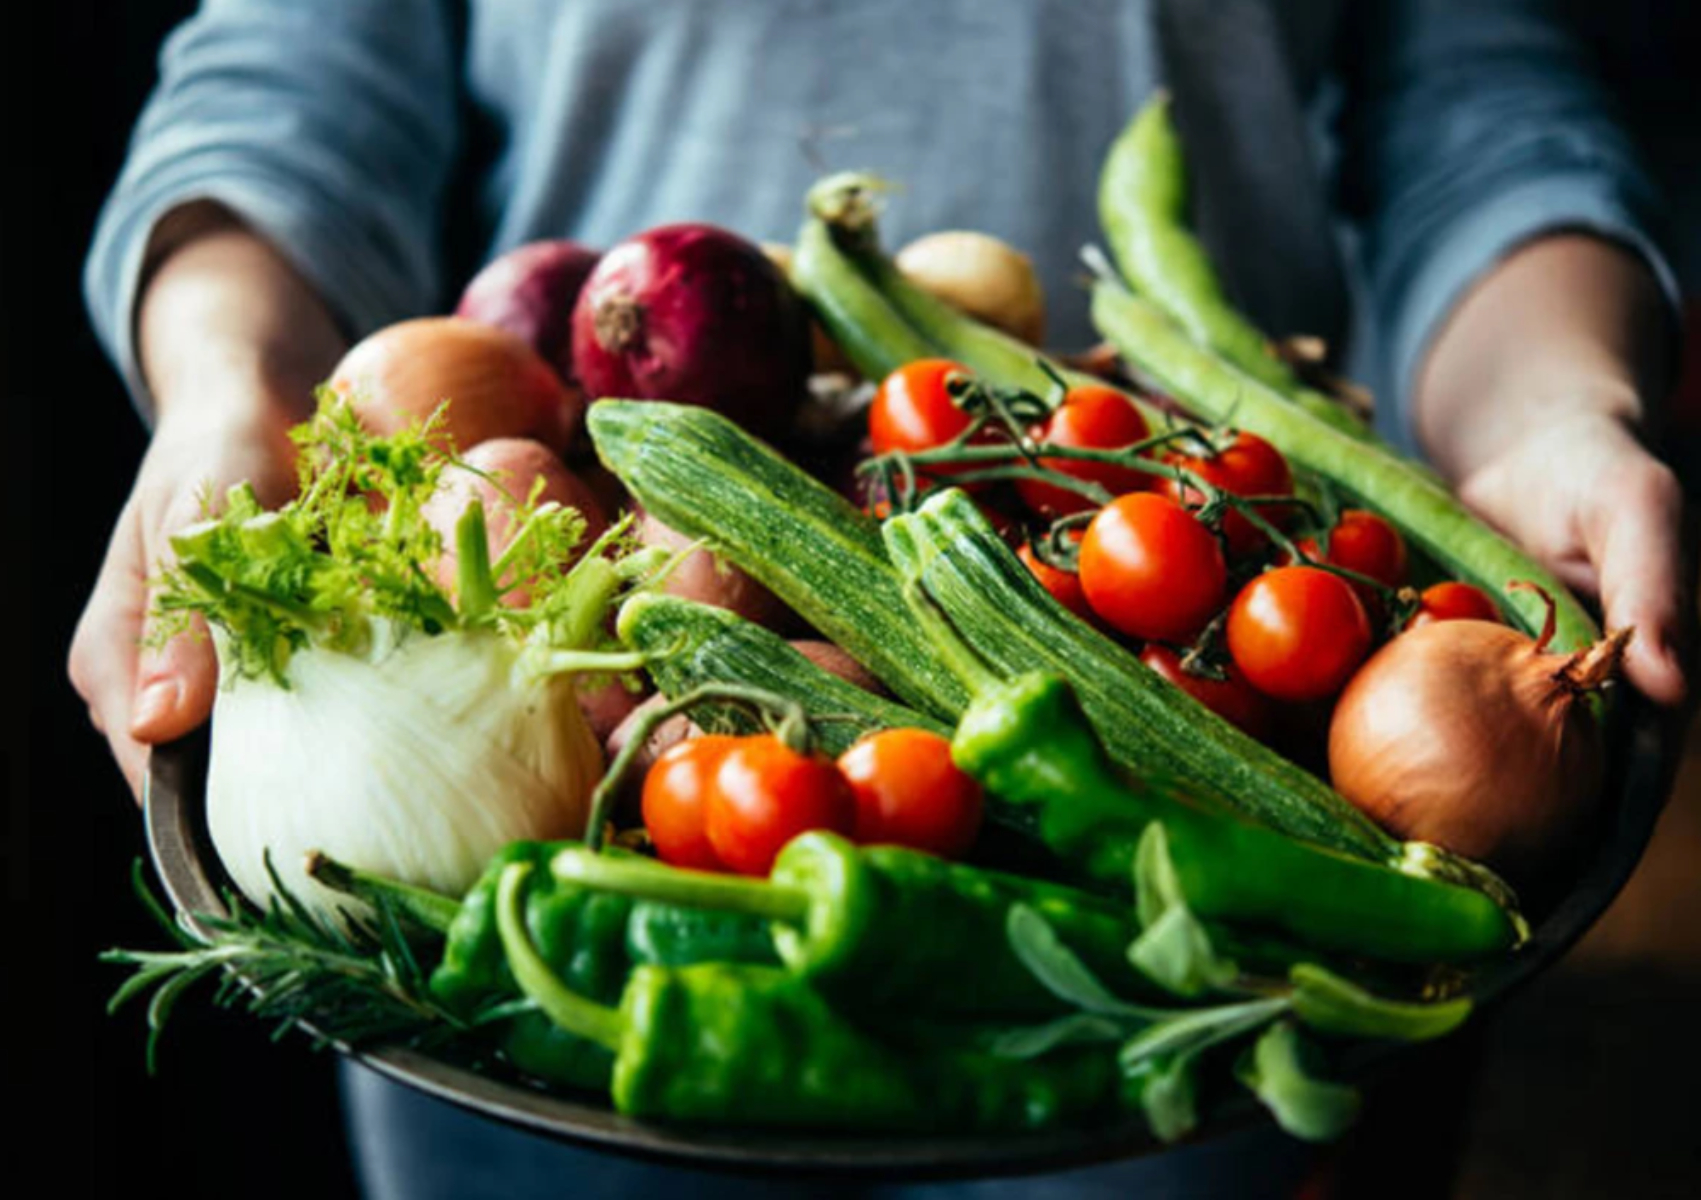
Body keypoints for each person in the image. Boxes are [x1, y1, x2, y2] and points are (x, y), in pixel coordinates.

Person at [71, 1, 1690, 1196]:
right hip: (559, 805)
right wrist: (230, 390)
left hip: (1198, 853)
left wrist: (1552, 407)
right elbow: (289, 75)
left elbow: (1470, 90)